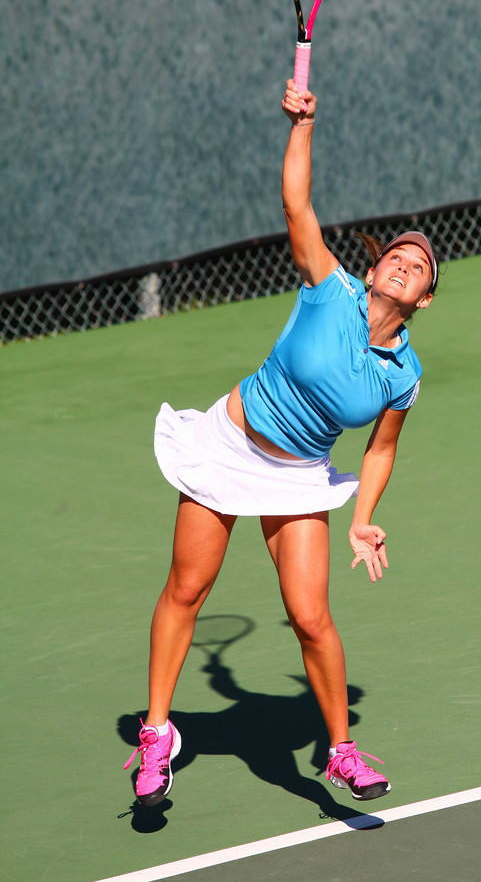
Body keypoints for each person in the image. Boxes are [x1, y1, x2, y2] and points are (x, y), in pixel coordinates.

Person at [123, 80, 439, 807]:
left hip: (297, 476)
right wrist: (303, 126)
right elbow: (297, 204)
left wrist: (362, 517)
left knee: (310, 616)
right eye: (396, 255)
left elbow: (381, 449)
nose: (403, 262)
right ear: (373, 270)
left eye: (418, 266)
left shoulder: (405, 374)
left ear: (422, 298)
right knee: (187, 588)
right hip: (229, 446)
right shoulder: (330, 288)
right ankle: (158, 733)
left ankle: (341, 753)